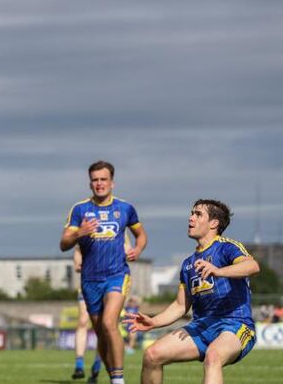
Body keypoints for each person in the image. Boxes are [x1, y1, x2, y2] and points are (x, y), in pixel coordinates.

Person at [125, 199, 259, 384]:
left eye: (198, 214)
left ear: (214, 223)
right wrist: (154, 321)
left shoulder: (227, 247)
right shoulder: (188, 264)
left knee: (213, 357)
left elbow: (252, 266)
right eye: (191, 213)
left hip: (236, 324)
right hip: (202, 326)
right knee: (152, 355)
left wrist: (219, 270)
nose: (191, 218)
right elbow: (181, 306)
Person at [60, 161, 148, 384]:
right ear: (90, 183)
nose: (99, 183)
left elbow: (141, 234)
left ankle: (118, 381)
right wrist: (80, 231)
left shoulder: (125, 209)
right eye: (95, 180)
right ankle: (112, 377)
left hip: (117, 274)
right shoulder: (79, 210)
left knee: (110, 323)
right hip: (90, 280)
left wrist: (138, 249)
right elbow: (64, 243)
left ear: (112, 182)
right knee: (101, 333)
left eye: (103, 179)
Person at [72, 247, 103, 382]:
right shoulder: (86, 226)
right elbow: (78, 249)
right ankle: (79, 365)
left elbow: (127, 248)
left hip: (112, 283)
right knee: (83, 320)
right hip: (88, 282)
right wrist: (78, 263)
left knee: (103, 326)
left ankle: (97, 366)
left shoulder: (119, 226)